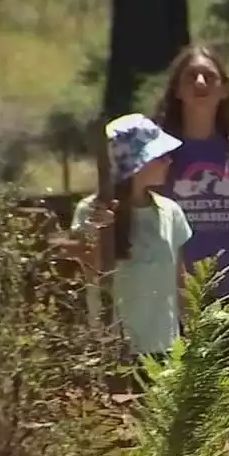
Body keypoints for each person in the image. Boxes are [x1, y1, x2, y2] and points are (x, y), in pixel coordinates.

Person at [153, 45, 229, 360]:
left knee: (225, 399)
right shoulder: (158, 152)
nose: (200, 83)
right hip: (170, 297)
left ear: (224, 89)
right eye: (190, 76)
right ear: (177, 90)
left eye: (209, 76)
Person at [71, 113, 192, 360]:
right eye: (159, 156)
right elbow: (86, 272)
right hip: (114, 349)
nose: (168, 160)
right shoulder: (92, 211)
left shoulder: (171, 212)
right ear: (137, 165)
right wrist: (97, 233)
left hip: (165, 348)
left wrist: (191, 331)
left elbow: (180, 281)